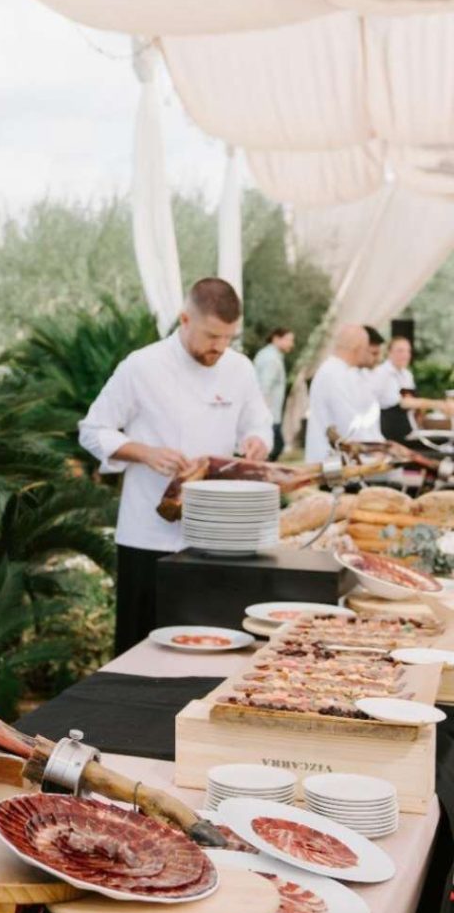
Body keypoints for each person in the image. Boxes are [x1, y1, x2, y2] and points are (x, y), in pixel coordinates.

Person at [78, 278, 272, 656]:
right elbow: (92, 430)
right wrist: (144, 452)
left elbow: (259, 423)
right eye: (212, 335)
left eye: (228, 337)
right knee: (141, 650)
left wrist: (258, 442)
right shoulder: (142, 365)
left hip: (217, 535)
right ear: (184, 319)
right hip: (147, 536)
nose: (220, 347)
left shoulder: (241, 369)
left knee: (215, 646)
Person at [304, 325, 381, 461]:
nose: (366, 353)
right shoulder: (334, 374)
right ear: (357, 347)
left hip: (339, 461)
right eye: (365, 348)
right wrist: (377, 450)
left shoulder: (339, 371)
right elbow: (348, 424)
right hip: (332, 465)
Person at [372, 336, 454, 441]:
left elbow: (413, 402)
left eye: (408, 351)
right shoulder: (382, 373)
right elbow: (403, 402)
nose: (405, 355)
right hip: (387, 433)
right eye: (400, 351)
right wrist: (440, 404)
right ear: (389, 352)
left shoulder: (407, 374)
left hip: (408, 431)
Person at [253, 327, 295, 460]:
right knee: (275, 447)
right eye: (288, 340)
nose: (291, 344)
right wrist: (264, 416)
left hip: (269, 414)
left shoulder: (268, 355)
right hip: (269, 415)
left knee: (275, 447)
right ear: (276, 339)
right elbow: (265, 387)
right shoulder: (271, 359)